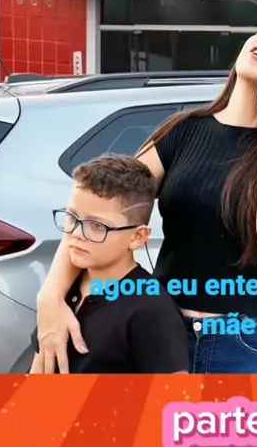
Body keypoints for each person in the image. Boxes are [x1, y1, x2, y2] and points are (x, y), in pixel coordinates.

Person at [36, 8, 257, 374]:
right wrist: (51, 293)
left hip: (243, 346)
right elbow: (101, 209)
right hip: (162, 337)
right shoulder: (183, 130)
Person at [30, 155, 189, 374]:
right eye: (72, 217)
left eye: (97, 226)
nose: (76, 233)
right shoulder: (63, 291)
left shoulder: (151, 311)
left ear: (137, 237)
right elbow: (38, 372)